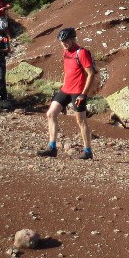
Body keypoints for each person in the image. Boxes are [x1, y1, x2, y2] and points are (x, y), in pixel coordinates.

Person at [37, 27, 97, 160]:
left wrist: (83, 94)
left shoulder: (81, 53)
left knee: (81, 120)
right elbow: (67, 70)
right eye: (61, 41)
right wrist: (63, 85)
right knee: (51, 113)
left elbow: (91, 74)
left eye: (66, 40)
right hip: (66, 90)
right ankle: (52, 147)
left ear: (73, 39)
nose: (63, 43)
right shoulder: (65, 51)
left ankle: (88, 151)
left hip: (78, 92)